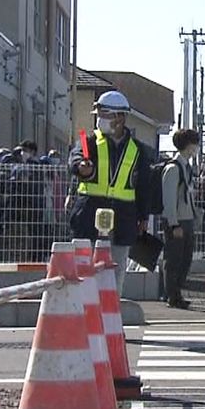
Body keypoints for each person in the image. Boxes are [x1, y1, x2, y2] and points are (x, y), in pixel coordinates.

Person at [69, 90, 155, 296]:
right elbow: (75, 159)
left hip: (123, 220)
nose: (100, 119)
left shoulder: (137, 150)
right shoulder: (88, 142)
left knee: (115, 274)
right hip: (88, 216)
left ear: (120, 117)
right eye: (99, 114)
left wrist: (144, 216)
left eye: (105, 114)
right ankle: (83, 315)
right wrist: (82, 168)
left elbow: (143, 185)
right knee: (83, 271)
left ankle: (110, 317)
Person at [161, 129, 201, 308]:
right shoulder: (173, 168)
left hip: (187, 219)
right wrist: (173, 223)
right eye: (195, 144)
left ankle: (175, 293)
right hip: (177, 221)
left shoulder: (186, 167)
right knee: (174, 259)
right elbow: (169, 199)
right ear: (188, 145)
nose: (197, 148)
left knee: (185, 259)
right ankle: (172, 295)